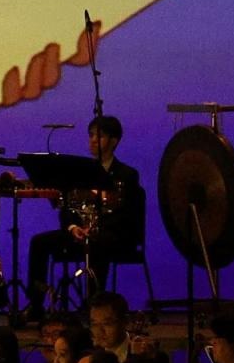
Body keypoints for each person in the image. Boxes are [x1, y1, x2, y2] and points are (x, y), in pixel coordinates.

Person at [24, 114, 144, 315]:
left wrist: (96, 228)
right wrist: (73, 227)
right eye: (91, 135)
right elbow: (68, 207)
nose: (93, 140)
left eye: (100, 136)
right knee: (39, 242)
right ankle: (36, 304)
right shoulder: (81, 172)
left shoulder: (127, 174)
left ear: (114, 141)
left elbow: (127, 214)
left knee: (98, 243)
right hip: (80, 232)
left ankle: (92, 305)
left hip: (112, 235)